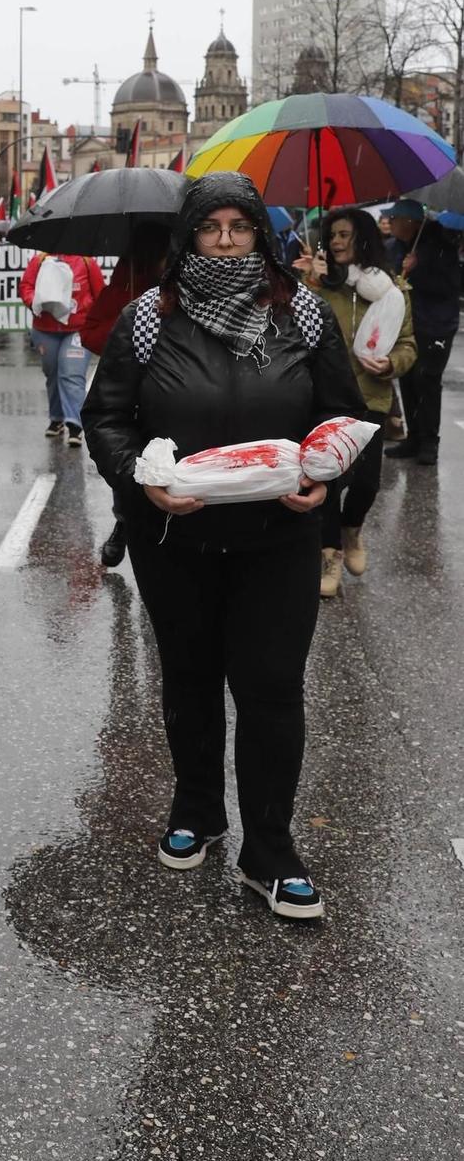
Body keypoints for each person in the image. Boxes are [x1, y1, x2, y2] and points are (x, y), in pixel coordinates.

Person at [83, 173, 365, 920]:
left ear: (260, 237)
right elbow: (106, 419)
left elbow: (341, 412)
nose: (227, 242)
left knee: (271, 687)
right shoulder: (148, 318)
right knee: (189, 677)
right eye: (212, 229)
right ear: (189, 237)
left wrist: (324, 479)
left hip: (278, 536)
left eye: (240, 228)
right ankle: (196, 809)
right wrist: (138, 479)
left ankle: (269, 849)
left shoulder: (300, 312)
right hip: (174, 534)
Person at [292, 207, 415, 596]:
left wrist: (391, 363)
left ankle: (352, 529)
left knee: (366, 484)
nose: (337, 242)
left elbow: (409, 344)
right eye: (332, 235)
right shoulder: (316, 284)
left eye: (345, 234)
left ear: (364, 238)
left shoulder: (392, 290)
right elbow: (292, 331)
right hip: (324, 399)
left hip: (371, 397)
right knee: (326, 478)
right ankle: (329, 553)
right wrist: (312, 282)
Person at [81, 223, 172, 567]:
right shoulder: (123, 292)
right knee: (133, 471)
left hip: (171, 403)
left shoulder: (185, 293)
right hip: (132, 401)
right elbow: (90, 335)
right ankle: (124, 523)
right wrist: (126, 327)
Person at [383, 201, 460, 466]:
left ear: (411, 222)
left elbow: (450, 288)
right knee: (407, 380)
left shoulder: (441, 247)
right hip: (408, 324)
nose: (389, 222)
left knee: (427, 382)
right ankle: (413, 438)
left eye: (394, 217)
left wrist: (418, 273)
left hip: (435, 325)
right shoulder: (399, 247)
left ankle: (429, 442)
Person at [18, 250, 105, 447]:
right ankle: (57, 419)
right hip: (45, 329)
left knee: (71, 374)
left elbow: (101, 293)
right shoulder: (39, 260)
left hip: (77, 330)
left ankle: (75, 425)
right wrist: (36, 301)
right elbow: (25, 287)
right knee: (53, 373)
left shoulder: (86, 261)